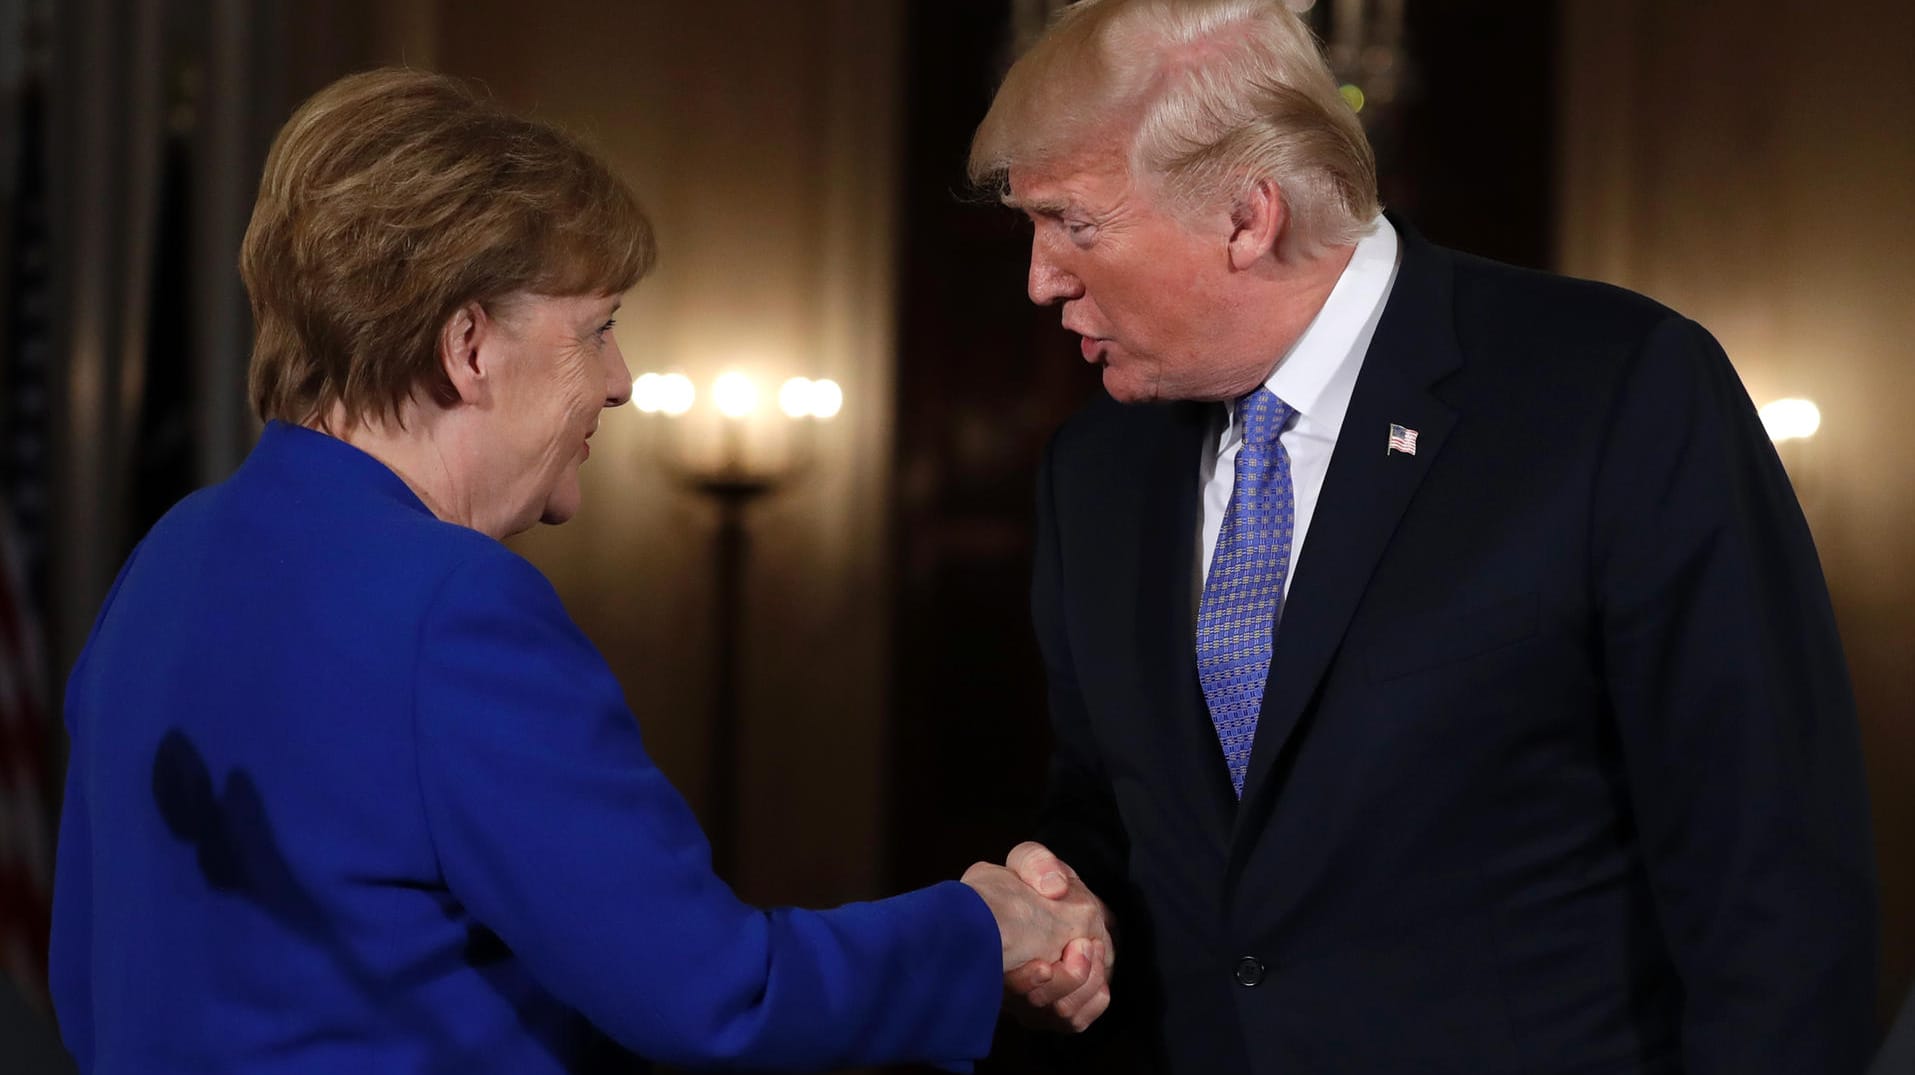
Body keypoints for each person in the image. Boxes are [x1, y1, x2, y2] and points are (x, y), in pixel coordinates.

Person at [49, 67, 1109, 1073]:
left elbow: (89, 987)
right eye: (595, 328)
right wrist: (986, 925)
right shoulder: (451, 606)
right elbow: (711, 994)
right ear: (468, 346)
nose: (622, 380)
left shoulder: (168, 557)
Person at [974, 1, 1880, 1071]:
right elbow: (1115, 808)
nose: (1040, 279)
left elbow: (1770, 874)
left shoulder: (1615, 387)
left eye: (1073, 224)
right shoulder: (1097, 471)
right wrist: (1055, 907)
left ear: (1246, 215)